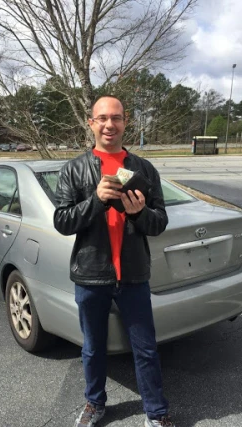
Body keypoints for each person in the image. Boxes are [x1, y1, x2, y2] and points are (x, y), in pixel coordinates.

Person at [53, 95, 174, 427]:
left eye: (116, 118)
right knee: (93, 349)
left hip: (134, 275)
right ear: (91, 123)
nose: (110, 124)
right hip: (91, 276)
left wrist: (139, 214)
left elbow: (159, 222)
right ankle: (95, 403)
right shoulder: (74, 169)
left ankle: (156, 412)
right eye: (102, 118)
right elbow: (62, 222)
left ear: (125, 122)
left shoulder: (143, 169)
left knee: (146, 349)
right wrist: (96, 200)